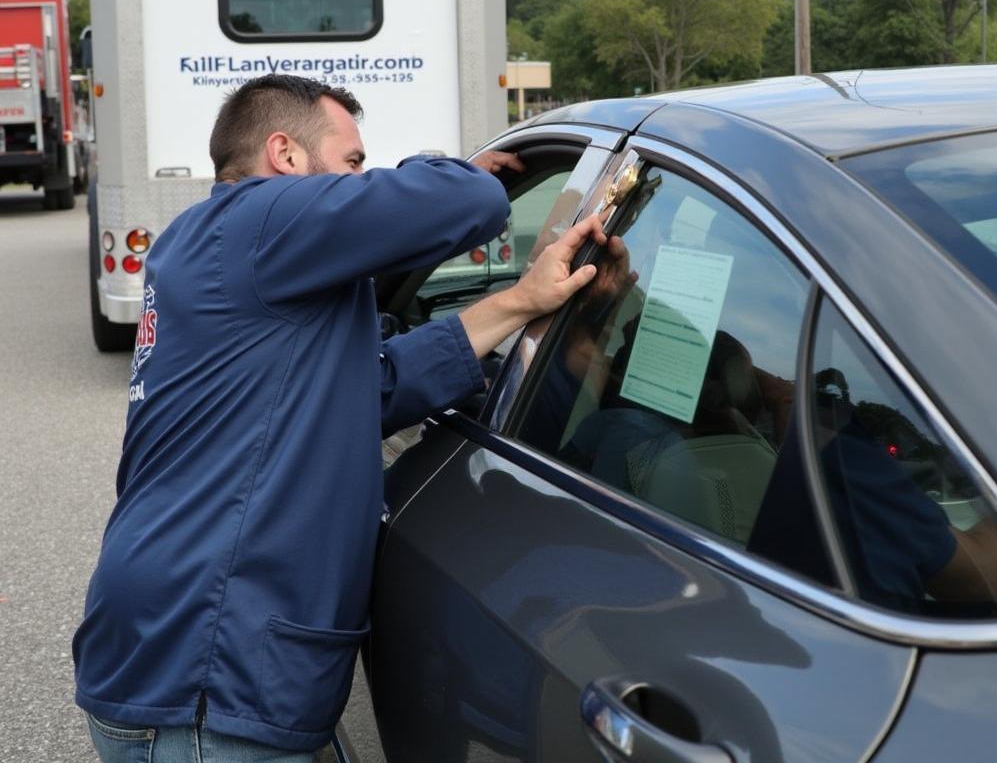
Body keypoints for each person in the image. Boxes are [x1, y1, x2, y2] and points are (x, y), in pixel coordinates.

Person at [73, 74, 607, 762]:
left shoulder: (211, 245)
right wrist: (451, 173)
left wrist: (520, 301)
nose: (360, 178)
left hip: (174, 650)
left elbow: (368, 387)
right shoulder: (261, 217)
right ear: (285, 156)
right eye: (353, 162)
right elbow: (468, 200)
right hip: (206, 679)